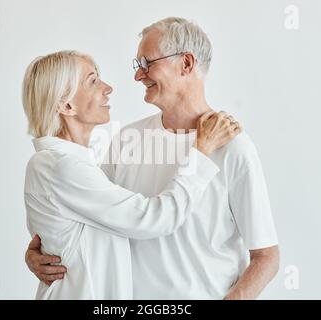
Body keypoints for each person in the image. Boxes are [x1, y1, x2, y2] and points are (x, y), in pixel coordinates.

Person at [22, 50, 241, 299]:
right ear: (66, 105)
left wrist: (38, 251)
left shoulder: (72, 165)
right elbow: (154, 219)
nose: (108, 88)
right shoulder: (60, 167)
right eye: (92, 81)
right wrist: (201, 152)